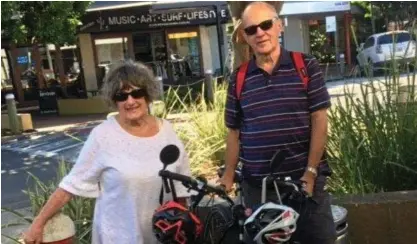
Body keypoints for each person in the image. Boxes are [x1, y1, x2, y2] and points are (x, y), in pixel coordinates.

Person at [23, 60, 192, 244]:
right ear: (114, 100)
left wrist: (183, 225)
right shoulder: (103, 135)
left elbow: (181, 183)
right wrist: (38, 223)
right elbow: (71, 185)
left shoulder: (166, 130)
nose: (130, 101)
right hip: (120, 236)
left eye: (137, 93)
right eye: (122, 96)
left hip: (163, 236)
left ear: (148, 96)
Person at [219, 2, 336, 244]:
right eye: (251, 29)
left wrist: (311, 173)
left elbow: (319, 120)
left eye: (265, 25)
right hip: (258, 190)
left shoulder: (305, 66)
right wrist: (228, 174)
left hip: (304, 187)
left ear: (279, 26)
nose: (260, 33)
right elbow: (234, 131)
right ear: (245, 36)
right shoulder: (239, 78)